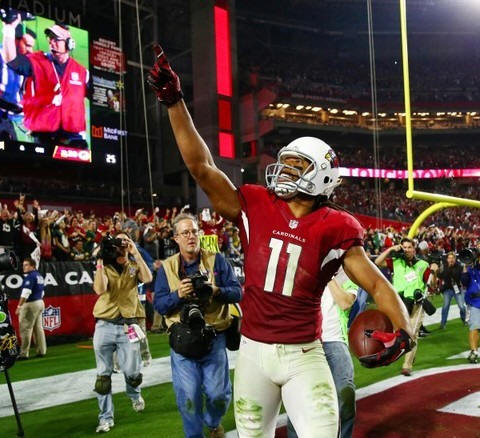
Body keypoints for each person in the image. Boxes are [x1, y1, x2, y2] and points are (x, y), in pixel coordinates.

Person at [148, 45, 414, 438]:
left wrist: (404, 331)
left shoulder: (336, 225)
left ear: (323, 176)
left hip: (304, 354)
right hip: (253, 353)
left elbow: (376, 283)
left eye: (296, 165)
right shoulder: (257, 203)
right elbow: (201, 166)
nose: (285, 169)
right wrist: (174, 102)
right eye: (285, 161)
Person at [153, 213, 242, 438]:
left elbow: (237, 292)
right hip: (182, 338)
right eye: (185, 233)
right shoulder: (167, 267)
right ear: (176, 238)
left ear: (200, 234)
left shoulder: (216, 260)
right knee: (189, 397)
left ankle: (213, 423)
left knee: (219, 395)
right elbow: (160, 305)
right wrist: (178, 295)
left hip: (214, 335)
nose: (191, 236)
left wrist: (216, 291)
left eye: (194, 231)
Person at [286, 268, 358, 438]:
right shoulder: (306, 270)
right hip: (306, 341)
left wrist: (328, 275)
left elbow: (345, 302)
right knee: (297, 398)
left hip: (335, 340)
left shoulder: (348, 275)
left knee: (345, 393)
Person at [92, 232, 152, 433]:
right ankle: (105, 418)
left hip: (128, 325)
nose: (121, 243)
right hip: (104, 325)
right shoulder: (106, 267)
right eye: (118, 241)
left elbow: (148, 278)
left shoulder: (133, 266)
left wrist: (136, 252)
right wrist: (100, 260)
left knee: (133, 372)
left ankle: (134, 394)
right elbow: (100, 289)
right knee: (103, 377)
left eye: (125, 240)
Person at [3, 19, 90, 148]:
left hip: (74, 138)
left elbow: (100, 99)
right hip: (45, 137)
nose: (51, 43)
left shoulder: (82, 72)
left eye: (57, 39)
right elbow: (12, 61)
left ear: (69, 43)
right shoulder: (37, 61)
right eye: (50, 38)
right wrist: (9, 29)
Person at [374, 238, 437, 376]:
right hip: (398, 304)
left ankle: (407, 365)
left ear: (414, 249)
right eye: (404, 247)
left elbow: (432, 285)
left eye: (409, 247)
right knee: (396, 334)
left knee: (412, 334)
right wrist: (391, 249)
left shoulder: (423, 265)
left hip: (416, 304)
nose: (407, 250)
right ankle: (399, 355)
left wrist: (434, 272)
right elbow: (377, 262)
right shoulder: (396, 262)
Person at [15, 258, 46, 360]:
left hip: (31, 304)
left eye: (26, 265)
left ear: (33, 266)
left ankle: (24, 353)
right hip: (40, 302)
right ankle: (41, 350)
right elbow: (42, 292)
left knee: (25, 329)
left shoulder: (30, 277)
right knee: (38, 329)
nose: (24, 267)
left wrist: (19, 306)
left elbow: (26, 293)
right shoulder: (39, 276)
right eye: (23, 265)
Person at [438, 252, 466, 328]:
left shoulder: (459, 266)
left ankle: (464, 320)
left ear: (455, 259)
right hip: (447, 289)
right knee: (445, 307)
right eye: (449, 258)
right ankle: (443, 324)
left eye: (452, 258)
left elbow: (457, 276)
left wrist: (450, 268)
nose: (451, 260)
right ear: (447, 259)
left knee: (462, 307)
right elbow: (441, 276)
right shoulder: (444, 266)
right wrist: (447, 268)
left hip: (457, 289)